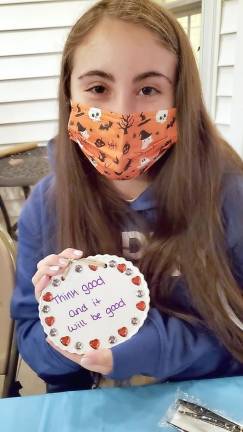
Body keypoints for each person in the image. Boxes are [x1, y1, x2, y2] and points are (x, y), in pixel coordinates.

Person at [11, 0, 243, 393]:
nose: (123, 114)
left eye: (148, 88)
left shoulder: (228, 193)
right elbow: (34, 341)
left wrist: (143, 347)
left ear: (178, 99)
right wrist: (63, 337)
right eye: (98, 88)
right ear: (69, 94)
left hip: (208, 401)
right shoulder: (47, 206)